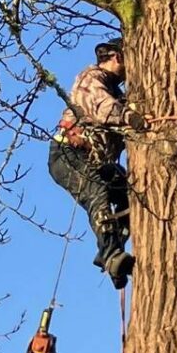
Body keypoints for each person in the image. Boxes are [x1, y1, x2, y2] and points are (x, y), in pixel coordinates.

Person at [48, 37, 132, 287]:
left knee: (129, 190)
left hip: (93, 159)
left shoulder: (116, 92)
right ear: (118, 57)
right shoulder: (92, 78)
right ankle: (112, 255)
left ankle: (111, 250)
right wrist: (132, 117)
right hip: (69, 152)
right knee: (97, 192)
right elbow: (103, 108)